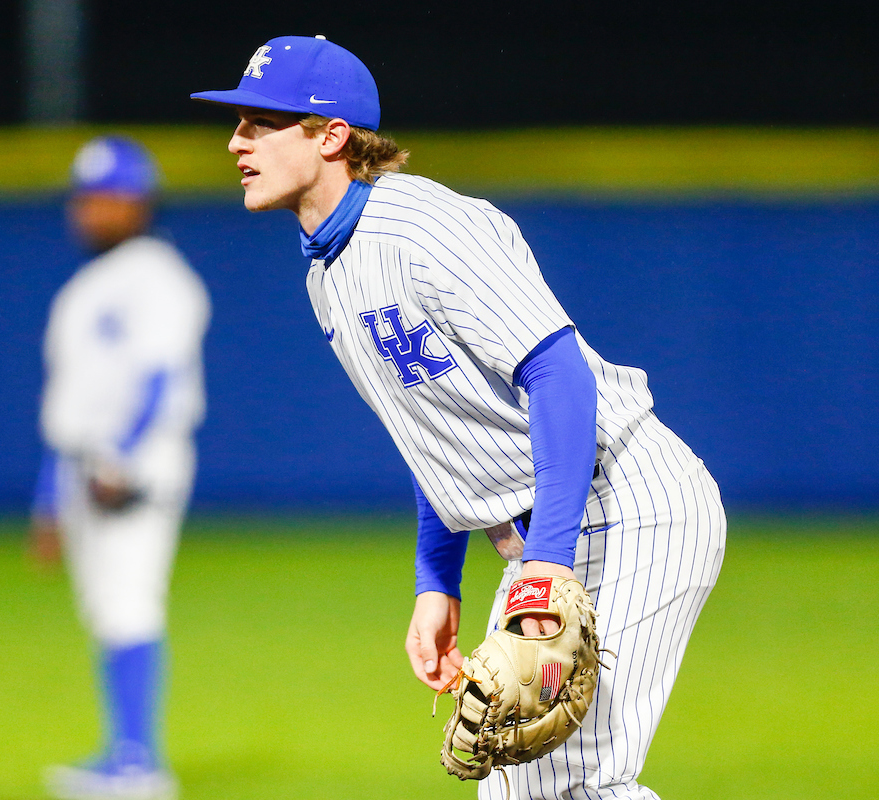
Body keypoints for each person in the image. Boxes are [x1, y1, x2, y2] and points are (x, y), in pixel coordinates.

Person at [191, 35, 725, 800]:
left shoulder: (421, 226)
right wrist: (436, 581)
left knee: (571, 781)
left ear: (331, 135)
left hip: (626, 503)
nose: (237, 141)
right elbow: (432, 434)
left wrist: (545, 564)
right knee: (514, 786)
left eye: (260, 123)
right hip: (549, 532)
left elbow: (557, 372)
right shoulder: (327, 272)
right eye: (238, 123)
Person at [34, 135, 211, 800]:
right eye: (84, 198)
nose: (89, 210)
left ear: (140, 204)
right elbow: (68, 413)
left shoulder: (158, 277)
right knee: (108, 610)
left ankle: (139, 764)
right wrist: (50, 500)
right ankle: (124, 753)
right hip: (87, 468)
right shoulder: (86, 287)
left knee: (131, 603)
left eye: (106, 197)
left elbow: (162, 380)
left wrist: (120, 459)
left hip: (136, 468)